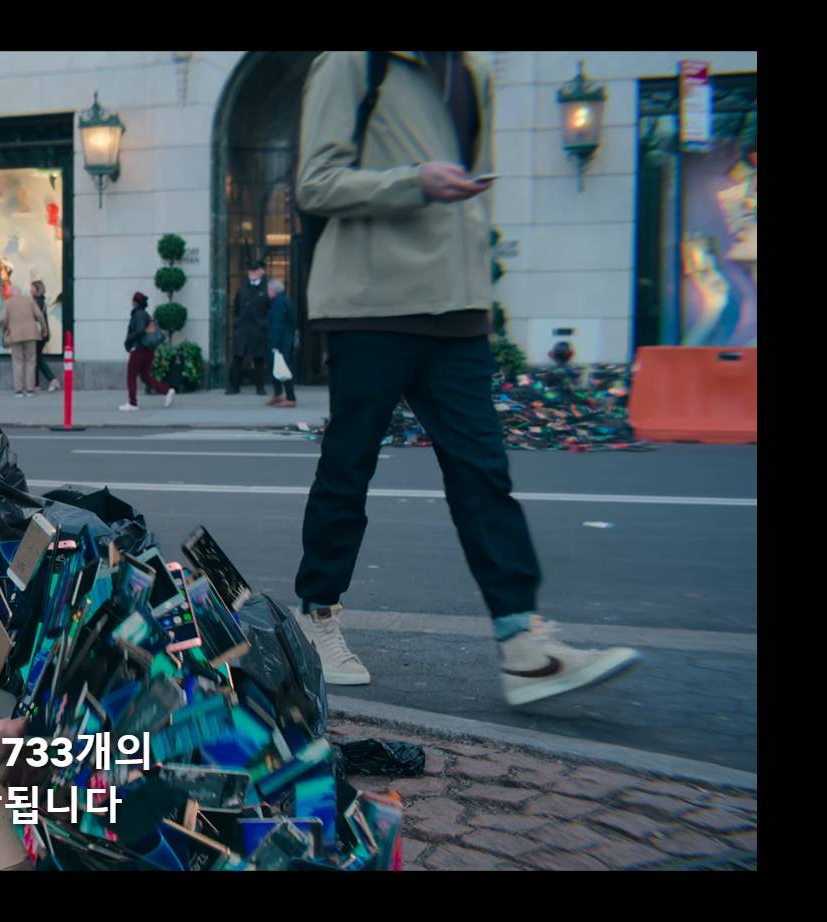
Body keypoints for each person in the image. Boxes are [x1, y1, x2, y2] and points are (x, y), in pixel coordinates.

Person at [292, 51, 638, 706]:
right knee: (349, 466)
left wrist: (481, 276)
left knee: (484, 471)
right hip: (371, 304)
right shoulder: (354, 64)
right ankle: (317, 618)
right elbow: (314, 183)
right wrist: (414, 181)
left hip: (456, 306)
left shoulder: (471, 71)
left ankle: (522, 644)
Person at [121, 292, 174, 412]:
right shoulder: (146, 315)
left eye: (133, 300)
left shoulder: (138, 314)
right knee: (145, 377)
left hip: (139, 349)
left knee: (131, 375)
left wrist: (129, 340)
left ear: (136, 302)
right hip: (148, 350)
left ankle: (132, 403)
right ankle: (167, 391)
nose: (131, 302)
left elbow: (139, 330)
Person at [227, 260, 270, 395]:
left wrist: (264, 324)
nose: (252, 273)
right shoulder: (242, 288)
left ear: (261, 272)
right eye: (250, 270)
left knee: (258, 359)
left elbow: (269, 309)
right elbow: (237, 308)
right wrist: (237, 322)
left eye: (255, 270)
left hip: (258, 329)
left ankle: (260, 387)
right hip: (243, 328)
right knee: (238, 358)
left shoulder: (266, 288)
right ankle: (234, 386)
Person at [0, 280, 48, 396]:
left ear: (12, 293)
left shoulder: (7, 303)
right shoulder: (29, 300)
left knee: (17, 361)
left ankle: (19, 390)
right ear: (20, 292)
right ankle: (30, 389)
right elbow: (39, 315)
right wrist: (44, 328)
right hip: (31, 334)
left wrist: (5, 329)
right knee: (31, 360)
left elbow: (2, 319)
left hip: (15, 335)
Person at [265, 278, 299, 407]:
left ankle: (290, 397)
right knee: (277, 368)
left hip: (281, 342)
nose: (268, 292)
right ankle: (278, 394)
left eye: (269, 289)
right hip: (284, 339)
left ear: (273, 290)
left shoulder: (279, 303)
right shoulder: (284, 300)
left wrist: (274, 344)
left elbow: (277, 325)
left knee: (283, 369)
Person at [30, 281, 61, 392]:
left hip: (39, 334)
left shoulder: (36, 302)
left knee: (37, 359)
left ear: (37, 289)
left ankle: (52, 380)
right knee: (37, 359)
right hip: (42, 334)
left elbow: (36, 317)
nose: (30, 289)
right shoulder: (41, 300)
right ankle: (36, 384)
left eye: (32, 287)